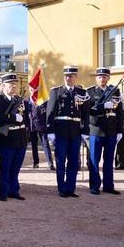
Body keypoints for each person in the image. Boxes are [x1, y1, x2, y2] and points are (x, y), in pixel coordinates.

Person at [46, 65, 90, 198]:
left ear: (76, 77)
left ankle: (71, 188)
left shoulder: (82, 93)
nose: (68, 78)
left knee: (73, 162)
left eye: (71, 76)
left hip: (75, 132)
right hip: (60, 132)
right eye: (66, 76)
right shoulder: (56, 91)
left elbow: (86, 114)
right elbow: (50, 112)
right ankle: (62, 188)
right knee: (60, 162)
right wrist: (50, 132)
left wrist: (85, 131)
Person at [0, 73, 29, 201]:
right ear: (3, 85)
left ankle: (14, 190)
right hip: (7, 138)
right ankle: (3, 192)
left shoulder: (20, 100)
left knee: (16, 167)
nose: (13, 86)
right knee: (5, 167)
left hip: (20, 137)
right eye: (10, 84)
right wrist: (12, 117)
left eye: (15, 84)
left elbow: (27, 118)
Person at [86, 67, 123, 195]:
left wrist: (120, 131)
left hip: (111, 130)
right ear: (96, 78)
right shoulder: (90, 92)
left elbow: (119, 112)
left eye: (105, 77)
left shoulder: (115, 91)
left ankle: (108, 186)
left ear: (108, 78)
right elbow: (89, 110)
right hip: (96, 129)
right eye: (100, 77)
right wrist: (103, 107)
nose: (102, 79)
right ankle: (94, 185)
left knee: (109, 160)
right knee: (94, 160)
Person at [28, 100, 55, 170]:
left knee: (45, 144)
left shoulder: (42, 100)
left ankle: (50, 163)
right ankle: (36, 162)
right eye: (31, 89)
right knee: (34, 145)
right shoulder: (27, 101)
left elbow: (47, 112)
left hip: (42, 125)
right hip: (32, 126)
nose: (33, 91)